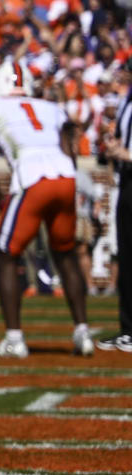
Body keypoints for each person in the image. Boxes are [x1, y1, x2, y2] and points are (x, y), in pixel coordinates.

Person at [0, 59, 95, 359]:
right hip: (65, 176)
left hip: (31, 179)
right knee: (65, 255)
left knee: (6, 255)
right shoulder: (51, 107)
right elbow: (70, 150)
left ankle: (14, 338)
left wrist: (1, 196)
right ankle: (83, 332)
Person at [102, 87, 132, 351]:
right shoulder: (126, 102)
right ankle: (128, 329)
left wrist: (128, 155)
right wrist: (115, 148)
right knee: (127, 258)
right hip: (127, 182)